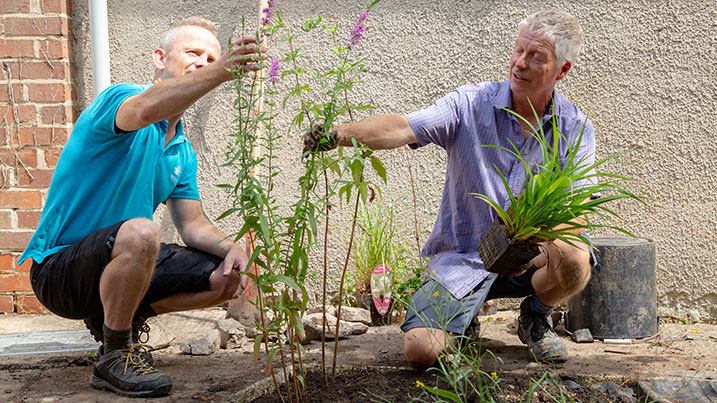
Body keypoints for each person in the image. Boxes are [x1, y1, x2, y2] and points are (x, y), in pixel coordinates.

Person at [303, 9, 595, 367]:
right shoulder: (470, 104)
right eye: (518, 51)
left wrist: (531, 250)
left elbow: (576, 213)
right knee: (421, 352)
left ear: (561, 70)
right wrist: (338, 135)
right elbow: (403, 128)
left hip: (531, 262)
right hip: (464, 260)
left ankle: (535, 316)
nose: (520, 64)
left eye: (536, 58)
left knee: (575, 256)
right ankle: (464, 318)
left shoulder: (575, 128)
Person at [18, 17, 264, 397]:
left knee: (226, 276)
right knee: (141, 231)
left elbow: (192, 224)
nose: (205, 61)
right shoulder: (118, 100)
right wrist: (219, 72)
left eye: (212, 56)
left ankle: (115, 322)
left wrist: (234, 248)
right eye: (194, 52)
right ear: (160, 58)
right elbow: (147, 110)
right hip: (59, 270)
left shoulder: (181, 150)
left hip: (123, 256)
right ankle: (116, 355)